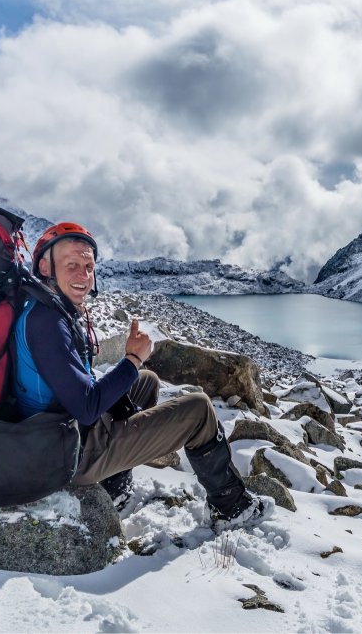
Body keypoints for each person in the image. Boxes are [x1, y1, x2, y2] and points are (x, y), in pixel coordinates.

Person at [14, 221, 269, 529]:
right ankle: (232, 508)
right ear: (44, 266)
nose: (84, 275)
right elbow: (85, 406)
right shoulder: (47, 323)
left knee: (144, 381)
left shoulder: (45, 310)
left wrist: (131, 370)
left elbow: (69, 387)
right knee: (199, 410)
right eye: (72, 265)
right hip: (67, 453)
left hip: (57, 432)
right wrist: (133, 358)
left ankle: (113, 489)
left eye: (88, 266)